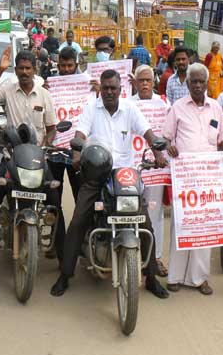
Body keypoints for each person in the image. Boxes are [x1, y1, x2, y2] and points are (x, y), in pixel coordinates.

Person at [49, 69, 169, 298]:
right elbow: (80, 135)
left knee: (144, 223)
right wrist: (76, 155)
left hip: (125, 175)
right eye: (105, 88)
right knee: (78, 222)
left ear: (120, 89)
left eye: (113, 88)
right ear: (101, 89)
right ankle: (65, 275)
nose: (109, 92)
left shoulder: (130, 109)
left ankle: (151, 277)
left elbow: (148, 133)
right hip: (96, 173)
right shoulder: (91, 108)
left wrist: (157, 148)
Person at [0, 47, 59, 257]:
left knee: (55, 200)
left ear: (35, 70)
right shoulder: (8, 89)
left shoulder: (44, 95)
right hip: (10, 155)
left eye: (28, 68)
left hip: (37, 156)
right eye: (20, 68)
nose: (24, 72)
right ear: (15, 70)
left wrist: (46, 146)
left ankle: (60, 255)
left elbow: (51, 129)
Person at [163, 63, 223, 295]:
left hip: (209, 179)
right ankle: (175, 276)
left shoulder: (216, 108)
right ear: (188, 83)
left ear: (207, 82)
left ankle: (199, 278)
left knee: (204, 225)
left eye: (202, 81)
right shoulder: (177, 108)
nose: (199, 85)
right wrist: (170, 148)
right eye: (194, 82)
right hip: (185, 178)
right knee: (181, 225)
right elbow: (166, 138)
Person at [43, 46, 84, 259]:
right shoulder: (51, 85)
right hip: (55, 151)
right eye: (63, 65)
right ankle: (55, 238)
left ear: (76, 64)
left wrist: (94, 89)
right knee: (53, 199)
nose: (66, 69)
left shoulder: (86, 83)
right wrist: (45, 91)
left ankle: (81, 240)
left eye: (70, 65)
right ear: (58, 65)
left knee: (81, 198)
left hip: (77, 153)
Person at [130, 64, 170, 276]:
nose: (144, 84)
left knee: (155, 214)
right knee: (131, 211)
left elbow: (169, 132)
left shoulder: (163, 103)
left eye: (148, 80)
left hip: (156, 168)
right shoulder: (127, 104)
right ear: (135, 83)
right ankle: (132, 255)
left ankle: (155, 257)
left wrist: (163, 155)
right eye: (141, 80)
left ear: (153, 82)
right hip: (134, 168)